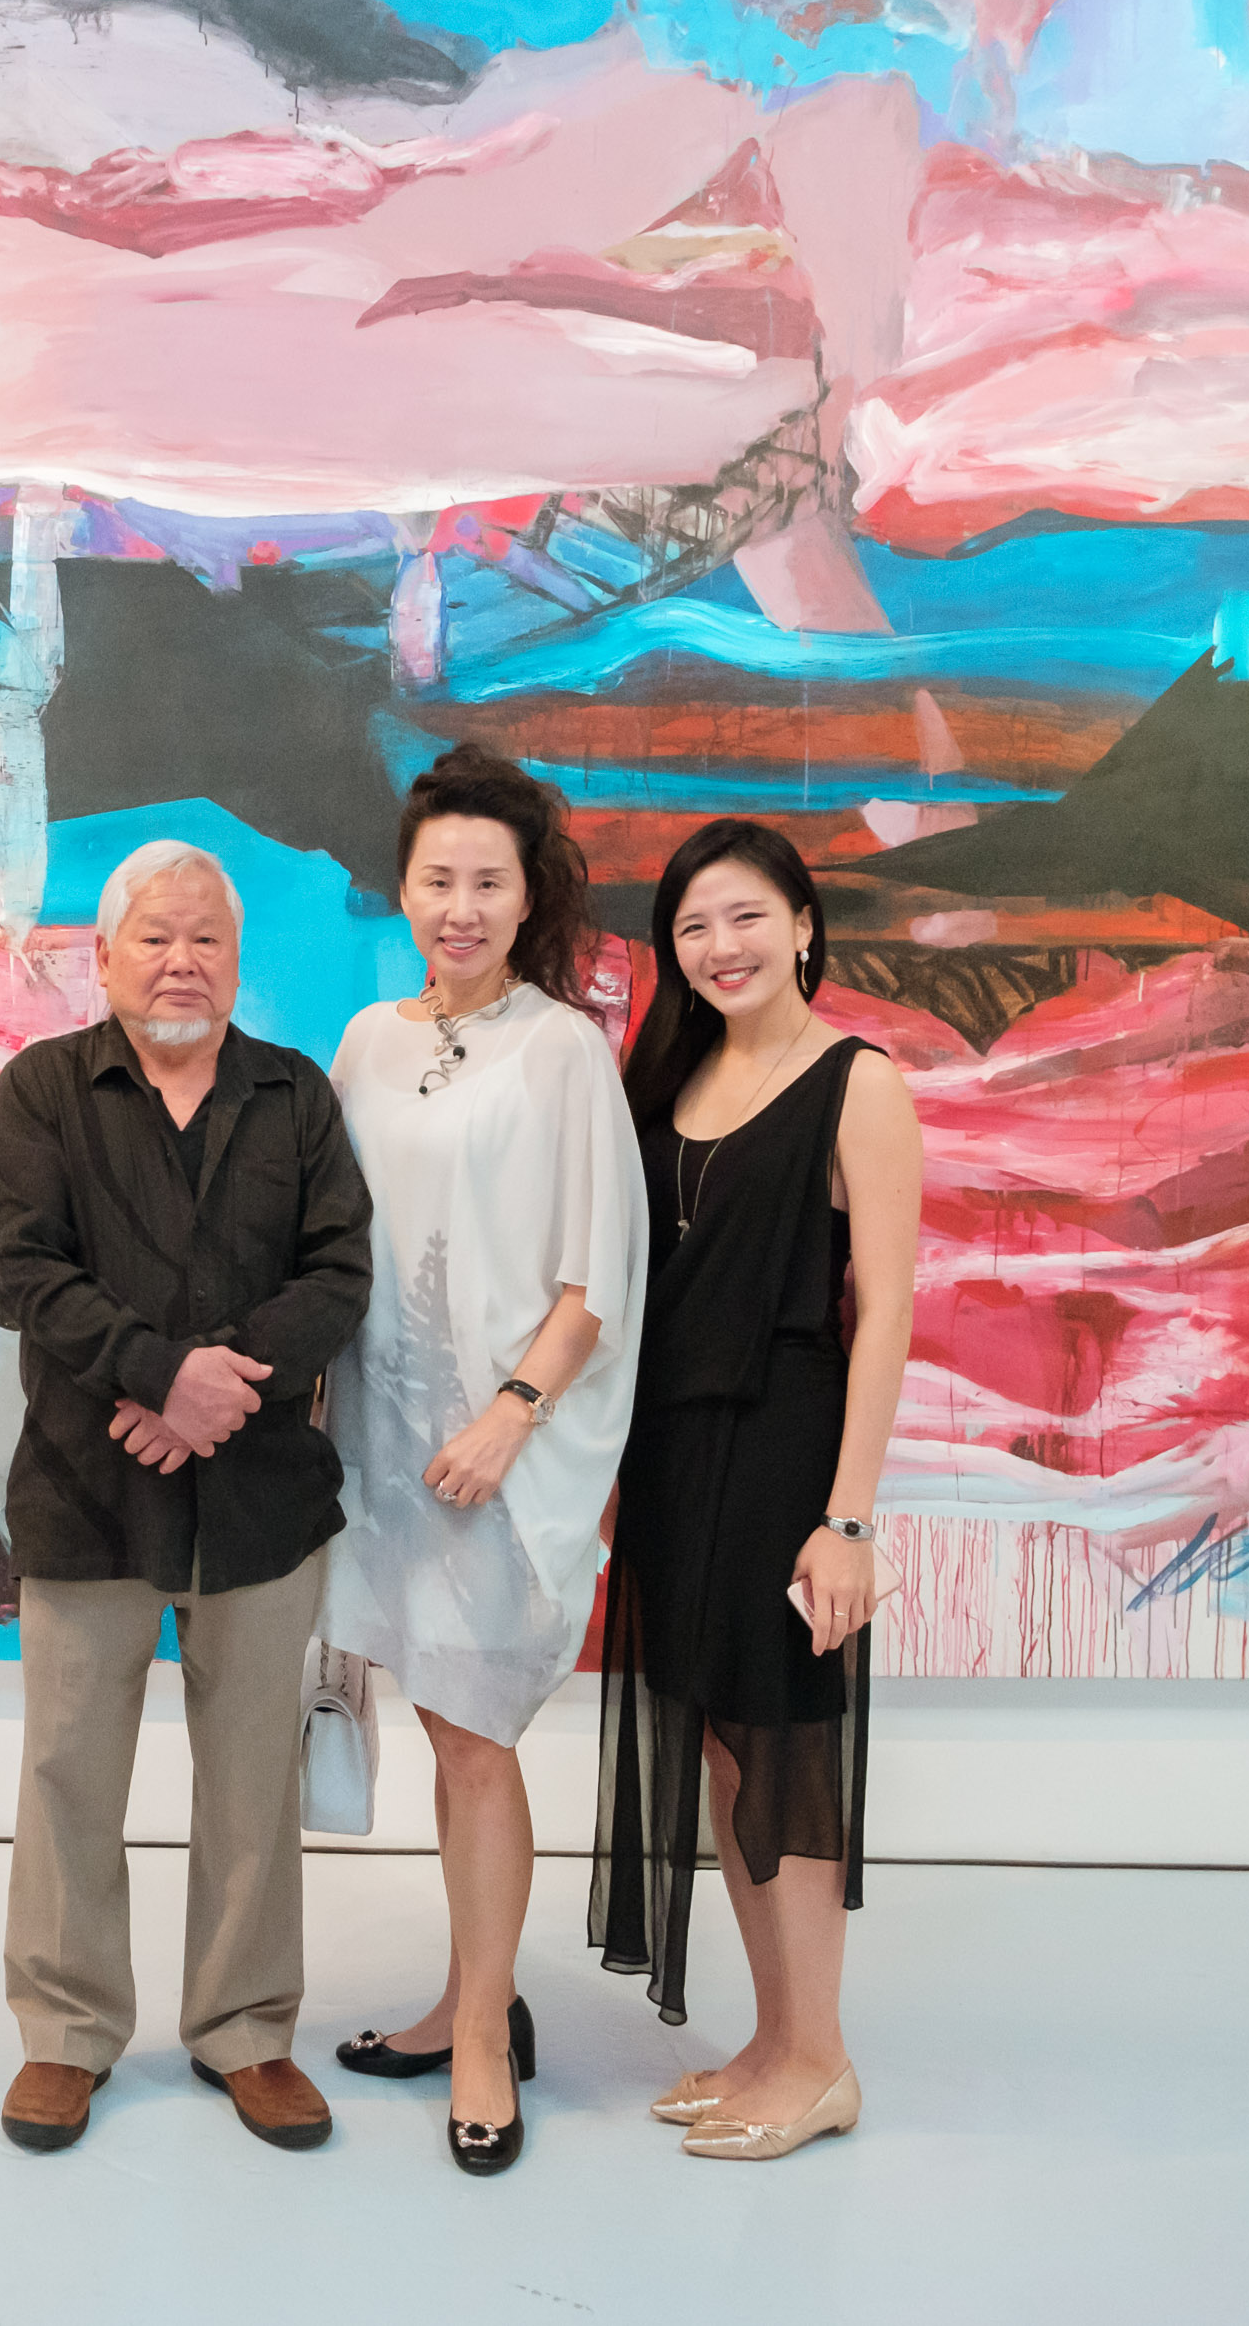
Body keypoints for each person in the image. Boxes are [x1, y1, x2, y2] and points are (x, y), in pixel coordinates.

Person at [0, 839, 375, 2157]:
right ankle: (65, 2031)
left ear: (237, 962)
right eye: (155, 936)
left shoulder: (295, 1097)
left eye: (206, 939)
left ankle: (246, 2031)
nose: (181, 960)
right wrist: (157, 1376)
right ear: (104, 957)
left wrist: (211, 1389)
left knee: (250, 1780)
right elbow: (28, 1269)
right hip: (88, 1489)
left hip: (261, 1501)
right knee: (69, 1771)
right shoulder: (43, 1091)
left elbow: (338, 1275)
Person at [316, 745, 644, 2176]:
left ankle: (483, 2041)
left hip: (497, 1454)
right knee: (439, 1724)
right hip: (382, 1444)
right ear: (403, 890)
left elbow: (596, 1274)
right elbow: (331, 1243)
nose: (460, 907)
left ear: (528, 899)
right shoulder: (366, 1041)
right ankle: (469, 1997)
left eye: (487, 883)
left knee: (475, 1734)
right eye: (437, 879)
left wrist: (512, 1416)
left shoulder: (560, 1050)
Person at [588, 817, 925, 2163]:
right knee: (725, 1751)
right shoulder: (668, 1076)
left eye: (744, 917)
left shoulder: (859, 1083)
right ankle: (776, 2038)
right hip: (672, 1456)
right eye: (692, 926)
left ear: (802, 925)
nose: (720, 946)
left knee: (787, 1751)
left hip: (786, 1446)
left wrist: (847, 1518)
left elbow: (884, 1311)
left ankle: (823, 2059)